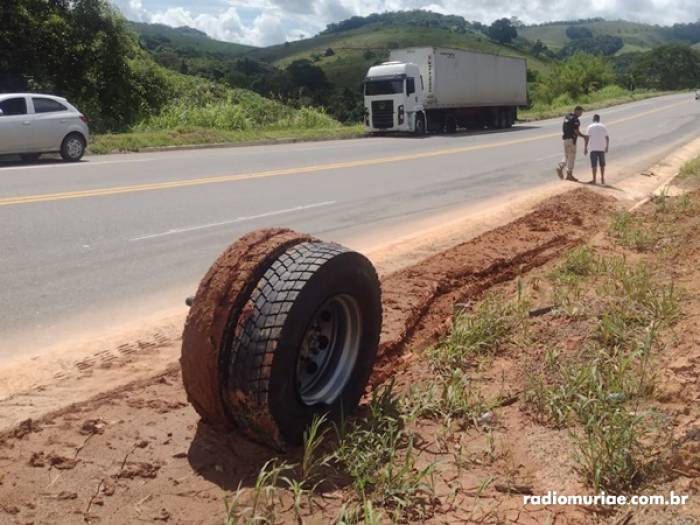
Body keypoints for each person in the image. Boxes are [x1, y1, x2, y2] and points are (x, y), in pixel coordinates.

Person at [556, 106, 588, 182]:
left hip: (565, 139)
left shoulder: (567, 116)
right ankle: (569, 175)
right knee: (571, 158)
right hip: (571, 140)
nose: (581, 114)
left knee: (566, 155)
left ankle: (560, 166)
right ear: (576, 111)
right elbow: (576, 131)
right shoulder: (575, 119)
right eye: (580, 112)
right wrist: (583, 136)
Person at [584, 114, 609, 185]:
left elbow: (587, 138)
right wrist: (606, 147)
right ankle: (602, 179)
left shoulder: (590, 126)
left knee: (594, 165)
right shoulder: (603, 126)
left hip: (593, 148)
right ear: (599, 119)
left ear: (593, 119)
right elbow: (607, 137)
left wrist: (585, 148)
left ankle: (594, 179)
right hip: (601, 148)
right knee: (602, 164)